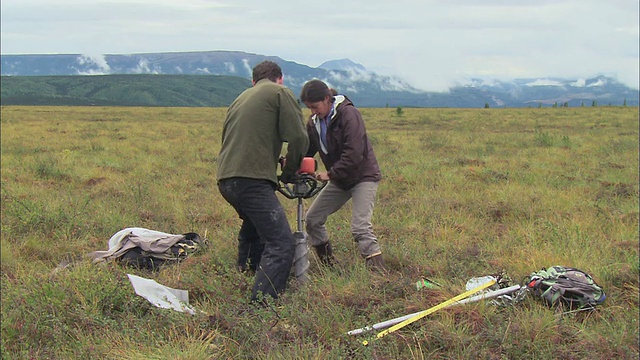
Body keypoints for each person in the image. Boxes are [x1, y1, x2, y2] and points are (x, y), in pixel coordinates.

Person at [217, 60, 309, 302]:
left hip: (226, 179)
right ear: (280, 78)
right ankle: (262, 303)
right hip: (252, 180)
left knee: (254, 228)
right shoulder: (280, 92)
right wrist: (289, 173)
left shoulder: (241, 98)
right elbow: (299, 138)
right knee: (281, 243)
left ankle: (245, 273)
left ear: (253, 81)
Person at [299, 79, 386, 270]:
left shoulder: (349, 114)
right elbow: (307, 150)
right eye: (309, 108)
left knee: (360, 227)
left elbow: (355, 151)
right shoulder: (314, 123)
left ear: (327, 99)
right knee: (313, 219)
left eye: (315, 106)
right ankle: (330, 267)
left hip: (363, 176)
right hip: (340, 180)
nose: (313, 111)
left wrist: (331, 174)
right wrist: (293, 163)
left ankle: (380, 276)